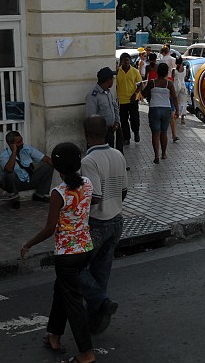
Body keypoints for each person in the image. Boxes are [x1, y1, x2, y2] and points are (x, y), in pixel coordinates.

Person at [20, 142, 96, 363]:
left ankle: (86, 352)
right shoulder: (88, 184)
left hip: (67, 255)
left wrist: (28, 244)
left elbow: (49, 229)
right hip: (85, 249)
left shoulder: (58, 193)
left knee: (73, 302)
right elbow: (90, 201)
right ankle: (53, 334)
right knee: (61, 291)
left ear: (57, 167)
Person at [79, 115, 127, 335]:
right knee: (101, 273)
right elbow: (124, 190)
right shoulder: (117, 154)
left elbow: (95, 196)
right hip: (117, 219)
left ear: (87, 135)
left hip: (97, 222)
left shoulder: (88, 161)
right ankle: (95, 321)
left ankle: (101, 301)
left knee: (75, 269)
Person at [0, 131, 54, 209]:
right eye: (18, 142)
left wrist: (61, 168)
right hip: (15, 184)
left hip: (28, 180)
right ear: (10, 143)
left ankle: (40, 194)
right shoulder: (4, 155)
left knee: (48, 167)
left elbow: (45, 158)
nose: (21, 143)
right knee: (10, 175)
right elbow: (9, 169)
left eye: (21, 140)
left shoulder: (26, 149)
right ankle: (15, 198)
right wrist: (14, 151)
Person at [141, 62, 179, 164]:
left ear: (157, 72)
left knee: (155, 133)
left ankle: (156, 155)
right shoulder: (169, 84)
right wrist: (177, 110)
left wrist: (141, 88)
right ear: (167, 72)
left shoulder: (152, 83)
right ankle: (164, 154)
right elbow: (174, 98)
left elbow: (144, 94)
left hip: (154, 109)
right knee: (164, 132)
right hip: (166, 109)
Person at [85, 67, 122, 155]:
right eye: (112, 79)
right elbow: (90, 118)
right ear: (108, 80)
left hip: (110, 131)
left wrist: (117, 122)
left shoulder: (108, 92)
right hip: (99, 135)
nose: (113, 80)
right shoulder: (93, 95)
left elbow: (115, 107)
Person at [116, 53, 142, 145]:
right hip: (122, 100)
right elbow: (116, 86)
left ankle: (136, 132)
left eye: (128, 60)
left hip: (133, 99)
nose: (126, 62)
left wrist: (135, 94)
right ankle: (126, 138)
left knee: (134, 118)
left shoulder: (135, 71)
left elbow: (140, 85)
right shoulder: (117, 72)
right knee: (123, 120)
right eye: (124, 60)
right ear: (121, 61)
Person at [172, 56, 188, 126]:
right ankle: (182, 119)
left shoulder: (174, 70)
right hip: (183, 86)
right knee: (183, 102)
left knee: (174, 101)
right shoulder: (185, 69)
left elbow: (172, 79)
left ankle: (174, 115)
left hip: (175, 87)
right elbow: (186, 77)